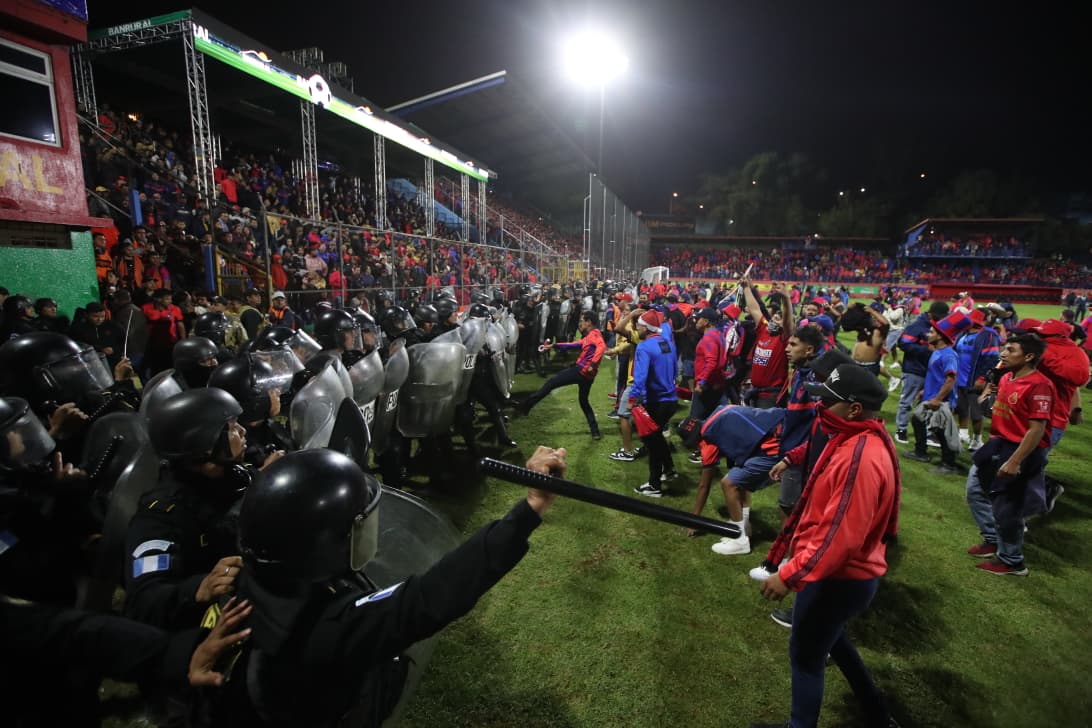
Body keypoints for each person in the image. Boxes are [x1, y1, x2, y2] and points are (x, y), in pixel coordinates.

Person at [193, 445, 565, 725]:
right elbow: (428, 597)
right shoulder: (329, 627)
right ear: (326, 546)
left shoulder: (253, 576)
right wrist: (530, 508)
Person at [751, 363, 899, 728]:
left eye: (827, 402)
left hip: (837, 577)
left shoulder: (859, 456)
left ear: (854, 409)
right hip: (849, 575)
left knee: (805, 656)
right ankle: (877, 712)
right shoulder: (863, 437)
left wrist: (789, 575)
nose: (819, 407)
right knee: (834, 641)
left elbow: (838, 537)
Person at [125, 388, 281, 630]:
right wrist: (200, 587)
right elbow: (143, 601)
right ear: (204, 446)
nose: (241, 431)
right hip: (208, 626)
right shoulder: (161, 516)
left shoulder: (234, 476)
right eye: (230, 427)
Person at [965, 333, 1054, 576]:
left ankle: (1012, 560)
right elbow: (990, 410)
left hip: (1019, 450)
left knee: (1008, 508)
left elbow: (1037, 430)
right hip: (998, 443)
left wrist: (1015, 461)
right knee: (975, 491)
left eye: (1010, 350)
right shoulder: (1007, 378)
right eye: (1004, 348)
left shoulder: (1039, 385)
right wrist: (987, 393)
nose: (1003, 353)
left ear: (1028, 356)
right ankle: (993, 538)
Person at [1030, 319, 1090, 511]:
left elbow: (1079, 379)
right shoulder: (1037, 348)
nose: (1039, 337)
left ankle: (1025, 510)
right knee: (1021, 462)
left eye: (1043, 335)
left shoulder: (1075, 354)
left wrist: (1046, 357)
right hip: (1026, 413)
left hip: (1051, 420)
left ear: (1057, 337)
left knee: (1027, 463)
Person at [517, 311, 605, 441]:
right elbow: (573, 345)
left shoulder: (595, 334)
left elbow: (601, 347)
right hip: (587, 376)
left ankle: (525, 406)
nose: (580, 323)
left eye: (582, 321)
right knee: (583, 401)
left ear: (589, 322)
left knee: (551, 383)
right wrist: (554, 345)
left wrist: (593, 363)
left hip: (581, 371)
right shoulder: (590, 336)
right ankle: (595, 431)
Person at [903, 312, 968, 474]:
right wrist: (925, 391)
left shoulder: (948, 355)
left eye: (932, 332)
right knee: (917, 419)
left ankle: (949, 464)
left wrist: (938, 399)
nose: (928, 334)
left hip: (941, 400)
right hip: (931, 396)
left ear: (940, 336)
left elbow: (951, 379)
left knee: (943, 432)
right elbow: (936, 375)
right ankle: (920, 452)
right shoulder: (937, 352)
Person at [630, 310, 679, 497]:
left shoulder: (644, 347)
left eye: (640, 325)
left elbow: (639, 378)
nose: (638, 328)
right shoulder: (668, 343)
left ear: (647, 327)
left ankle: (654, 485)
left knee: (652, 443)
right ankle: (669, 469)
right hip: (670, 399)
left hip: (656, 401)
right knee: (657, 438)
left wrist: (633, 399)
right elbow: (675, 371)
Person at [894, 301, 950, 443]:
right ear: (930, 313)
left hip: (932, 371)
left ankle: (927, 432)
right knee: (907, 401)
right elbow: (903, 343)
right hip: (914, 369)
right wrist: (925, 350)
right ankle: (901, 429)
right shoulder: (917, 326)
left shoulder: (941, 326)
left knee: (928, 403)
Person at [952, 309, 1001, 452]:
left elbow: (992, 359)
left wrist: (982, 378)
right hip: (959, 378)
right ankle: (963, 434)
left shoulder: (988, 335)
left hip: (975, 380)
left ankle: (977, 439)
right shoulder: (963, 333)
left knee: (976, 412)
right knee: (961, 408)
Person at [741, 281, 793, 409]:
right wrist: (746, 288)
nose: (774, 320)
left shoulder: (784, 337)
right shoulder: (764, 329)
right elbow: (754, 309)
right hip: (754, 391)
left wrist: (786, 298)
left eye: (778, 319)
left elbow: (787, 319)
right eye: (774, 317)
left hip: (770, 395)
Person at [68, 301, 124, 368]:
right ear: (87, 315)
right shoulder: (78, 329)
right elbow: (77, 346)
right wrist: (99, 350)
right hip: (90, 364)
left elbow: (124, 341)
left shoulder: (114, 326)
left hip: (113, 363)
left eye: (102, 316)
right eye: (95, 316)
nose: (99, 319)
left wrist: (114, 349)